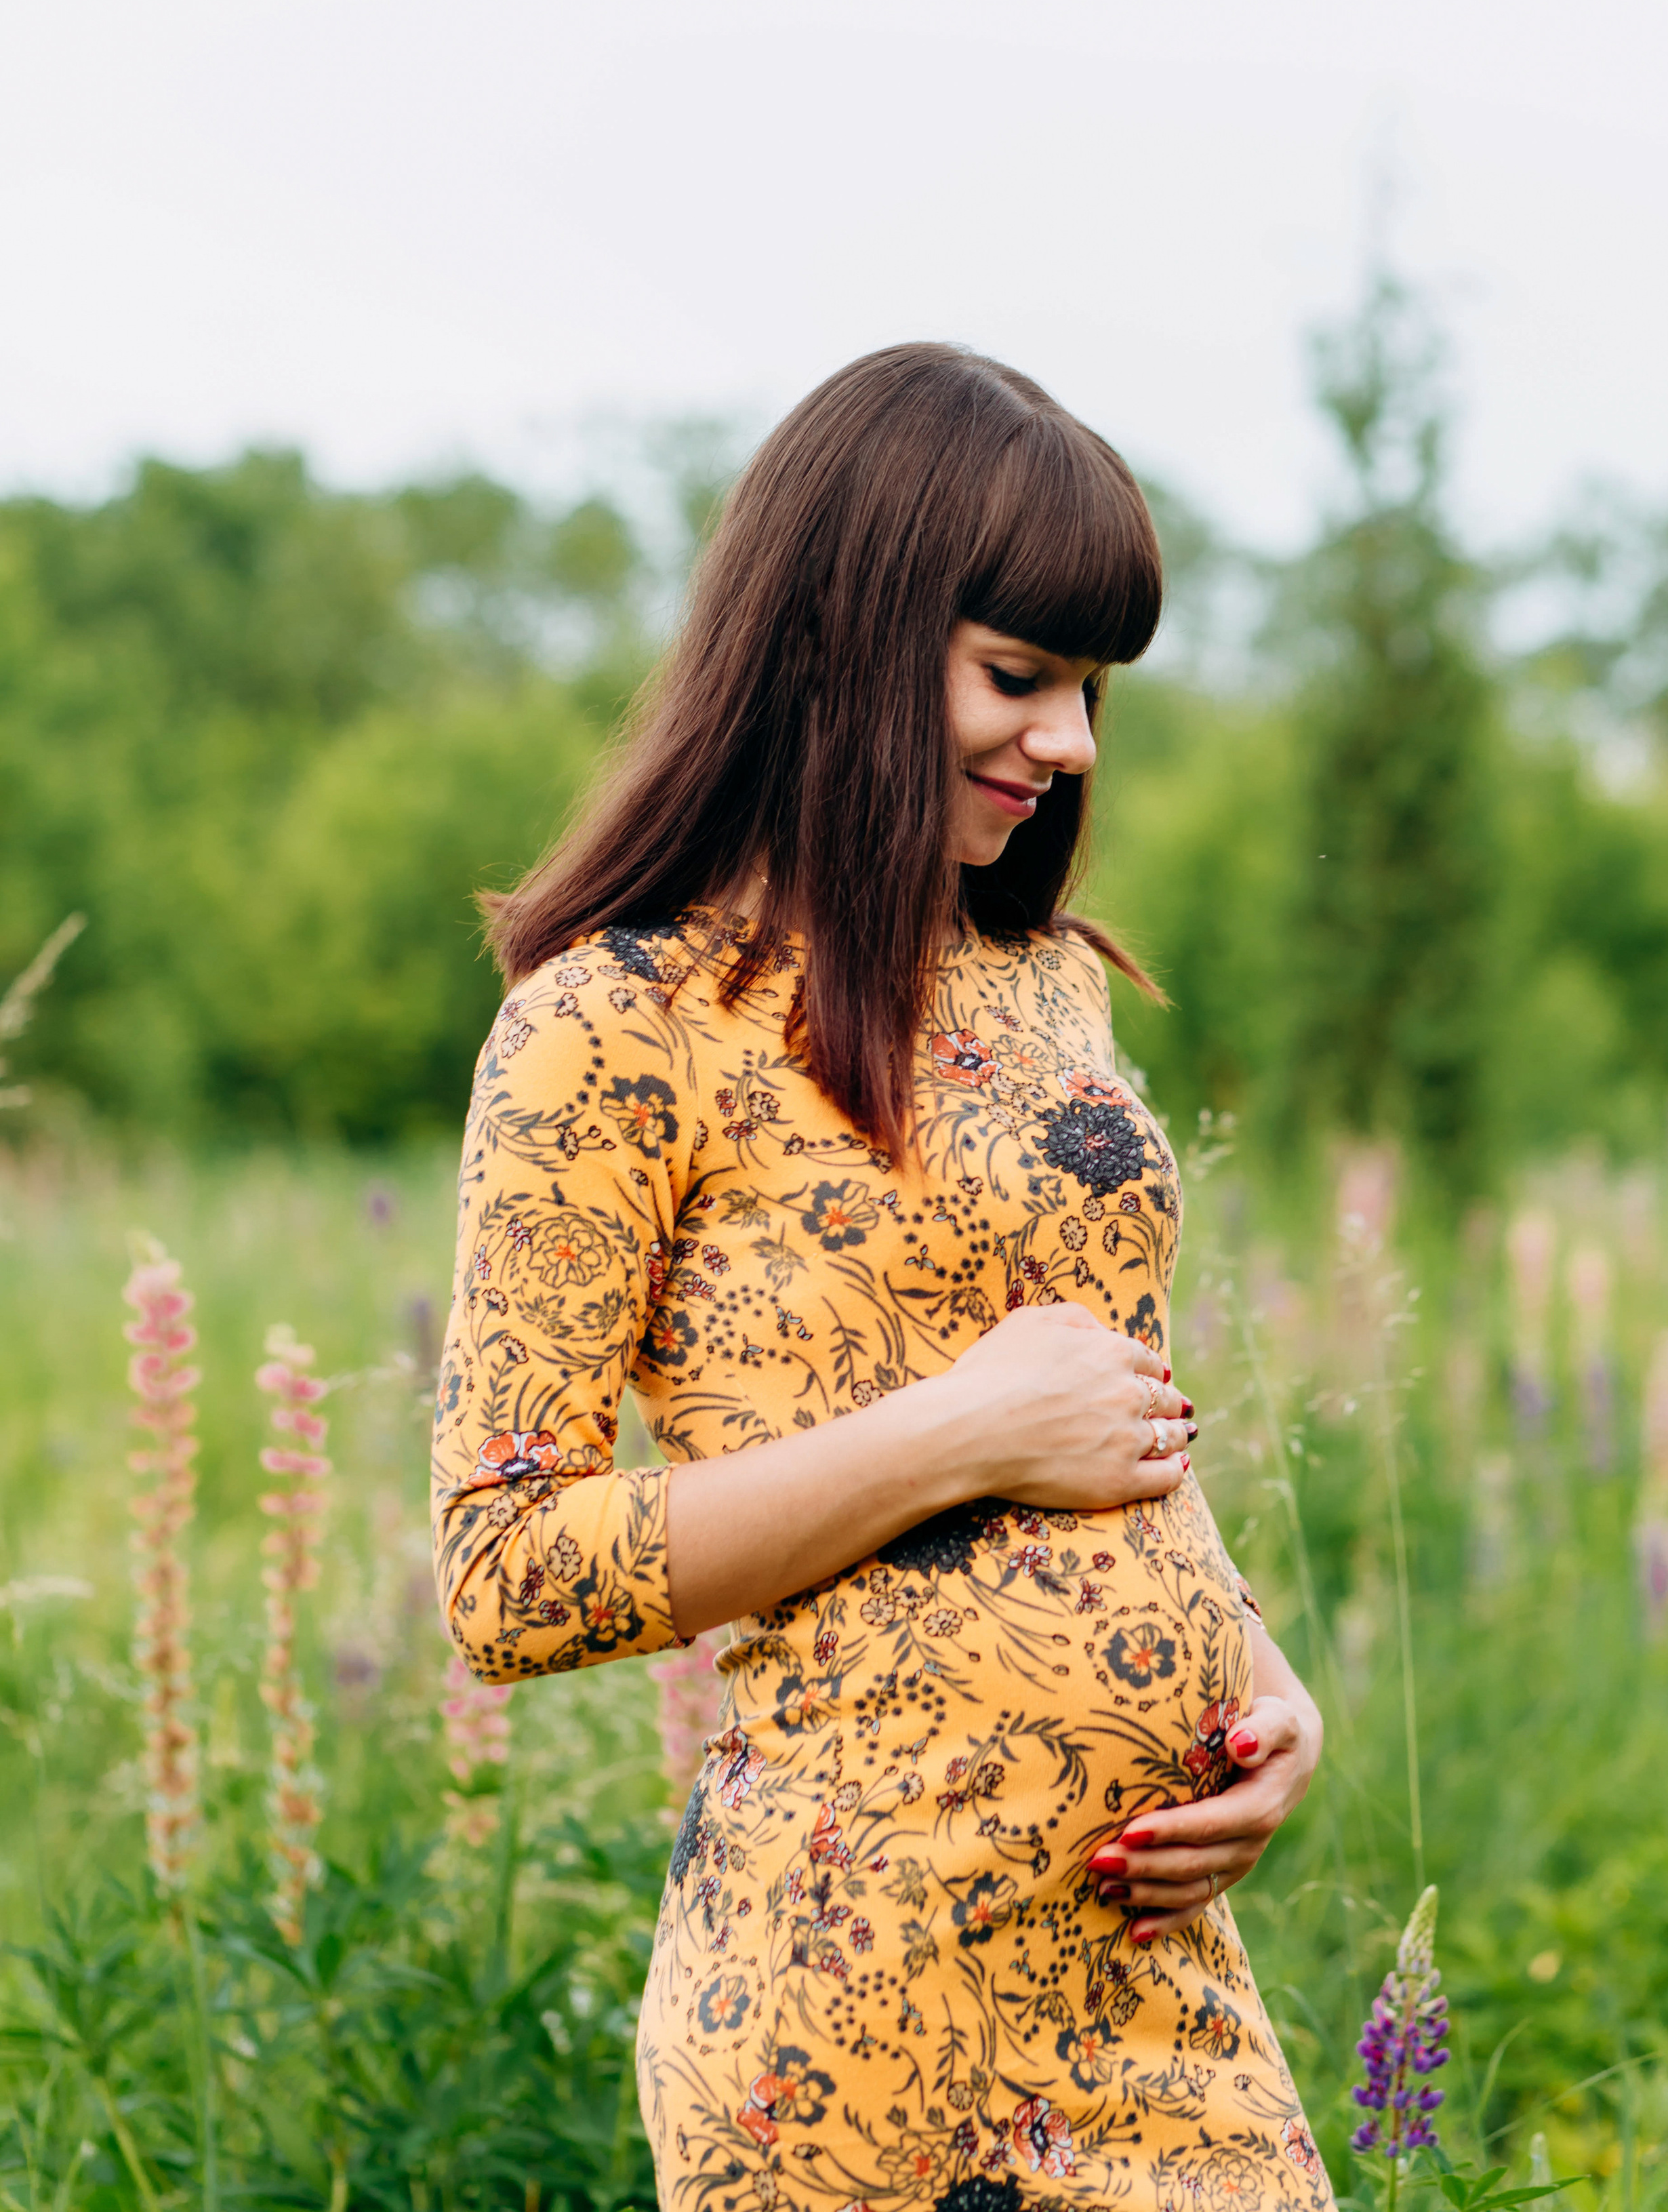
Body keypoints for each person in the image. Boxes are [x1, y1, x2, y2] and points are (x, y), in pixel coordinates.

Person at [432, 343, 1330, 2209]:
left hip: (1149, 1981)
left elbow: (1114, 1408)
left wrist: (1251, 1666)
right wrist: (957, 1432)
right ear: (843, 635)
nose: (1069, 741)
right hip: (854, 2011)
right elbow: (506, 1577)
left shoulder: (1046, 981)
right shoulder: (615, 1022)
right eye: (1019, 677)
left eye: (1087, 692)